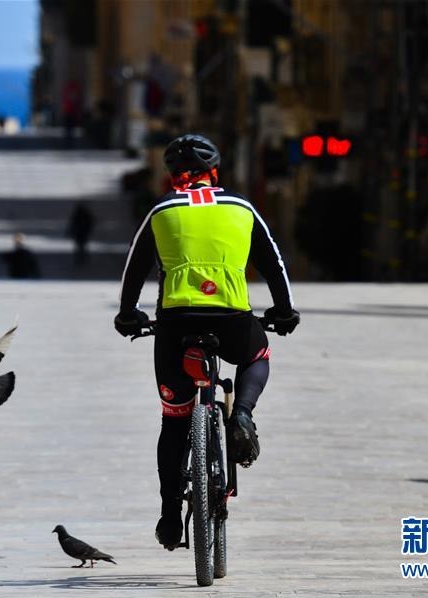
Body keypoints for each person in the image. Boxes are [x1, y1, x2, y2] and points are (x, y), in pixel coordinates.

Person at [113, 134, 300, 550]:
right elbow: (274, 263)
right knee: (257, 355)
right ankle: (243, 415)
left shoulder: (161, 211)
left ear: (172, 176)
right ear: (215, 171)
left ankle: (168, 516)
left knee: (174, 418)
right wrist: (284, 311)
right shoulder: (242, 207)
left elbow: (133, 270)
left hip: (174, 324)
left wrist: (127, 315)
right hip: (233, 317)